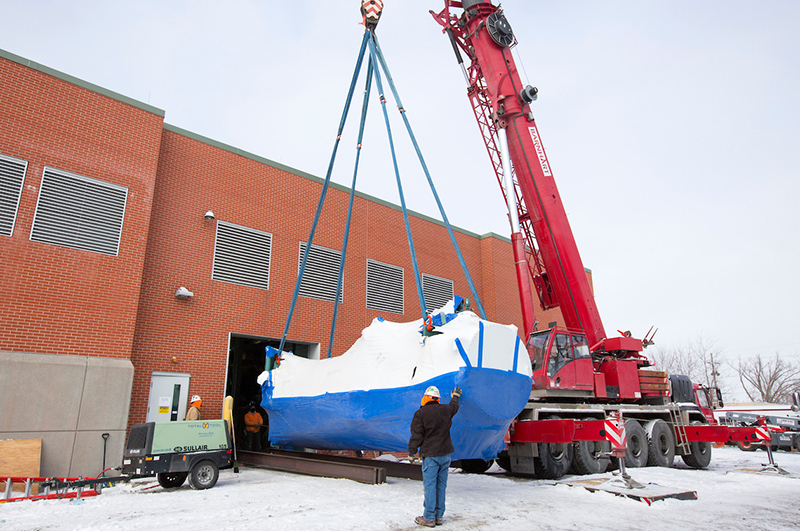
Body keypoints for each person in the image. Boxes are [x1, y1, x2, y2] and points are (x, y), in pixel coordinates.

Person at [408, 385, 462, 528]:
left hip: (431, 455)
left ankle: (429, 517)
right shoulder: (445, 410)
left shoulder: (421, 414)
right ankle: (438, 517)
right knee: (441, 486)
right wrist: (455, 396)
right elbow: (453, 407)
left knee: (430, 486)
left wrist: (412, 452)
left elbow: (416, 435)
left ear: (426, 397)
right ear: (437, 399)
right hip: (445, 454)